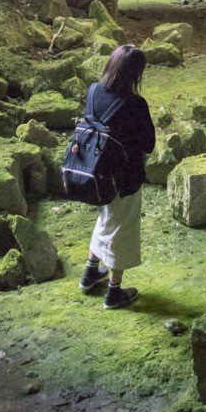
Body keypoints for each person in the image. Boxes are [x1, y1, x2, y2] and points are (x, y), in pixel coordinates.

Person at [78, 44, 156, 310]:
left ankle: (90, 272)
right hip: (124, 178)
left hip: (94, 175)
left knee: (104, 218)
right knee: (122, 231)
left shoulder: (93, 91)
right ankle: (114, 291)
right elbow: (148, 144)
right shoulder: (135, 104)